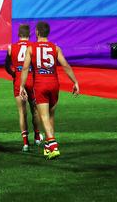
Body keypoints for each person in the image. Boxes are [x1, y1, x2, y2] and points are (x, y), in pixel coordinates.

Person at [20, 21, 79, 160]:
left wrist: (22, 85)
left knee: (43, 117)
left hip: (40, 84)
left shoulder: (31, 48)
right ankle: (47, 147)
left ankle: (53, 144)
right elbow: (65, 65)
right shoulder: (55, 48)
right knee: (51, 116)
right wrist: (75, 81)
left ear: (37, 32)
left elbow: (24, 68)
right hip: (54, 84)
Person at [6, 24, 42, 151]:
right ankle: (37, 137)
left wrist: (14, 74)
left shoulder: (11, 47)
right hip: (31, 79)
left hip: (18, 80)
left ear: (18, 34)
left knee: (22, 112)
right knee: (35, 110)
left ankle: (25, 143)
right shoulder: (33, 47)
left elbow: (7, 66)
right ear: (29, 35)